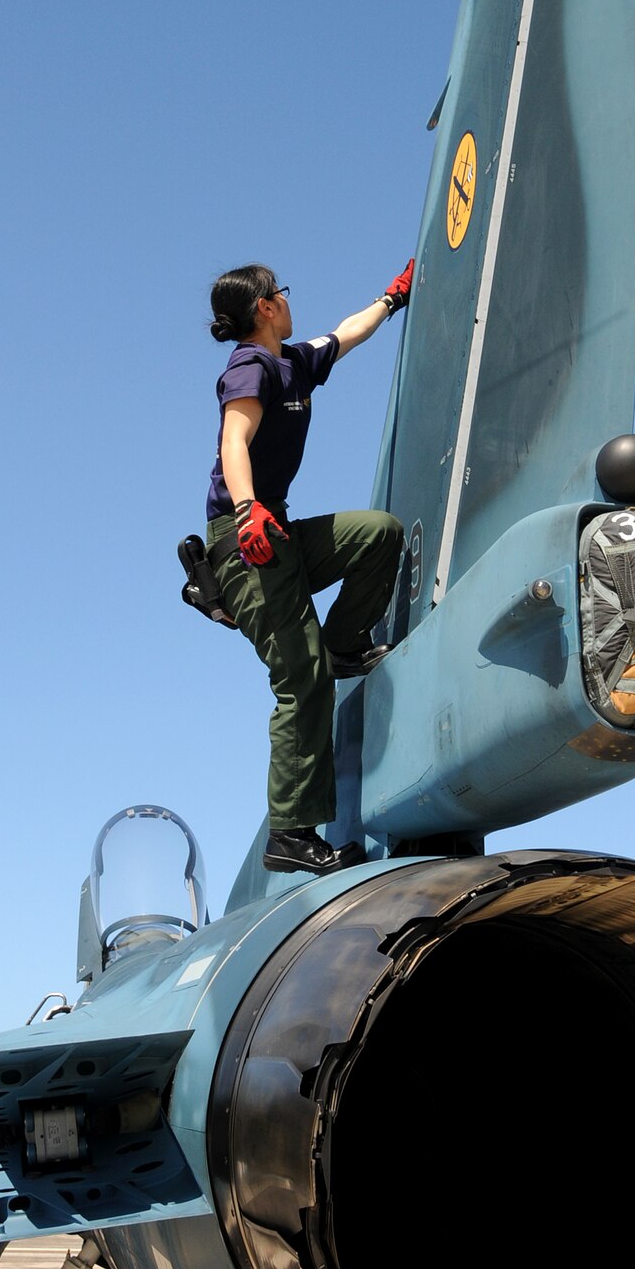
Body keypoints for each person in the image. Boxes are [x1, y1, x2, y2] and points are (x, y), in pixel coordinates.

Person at [204, 261, 412, 875]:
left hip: (281, 532)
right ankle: (292, 834)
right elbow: (233, 440)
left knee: (378, 534)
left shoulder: (294, 361)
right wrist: (246, 512)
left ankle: (346, 643)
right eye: (281, 294)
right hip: (245, 541)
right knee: (303, 680)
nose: (288, 302)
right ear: (265, 307)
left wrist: (392, 297)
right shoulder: (251, 365)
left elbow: (346, 334)